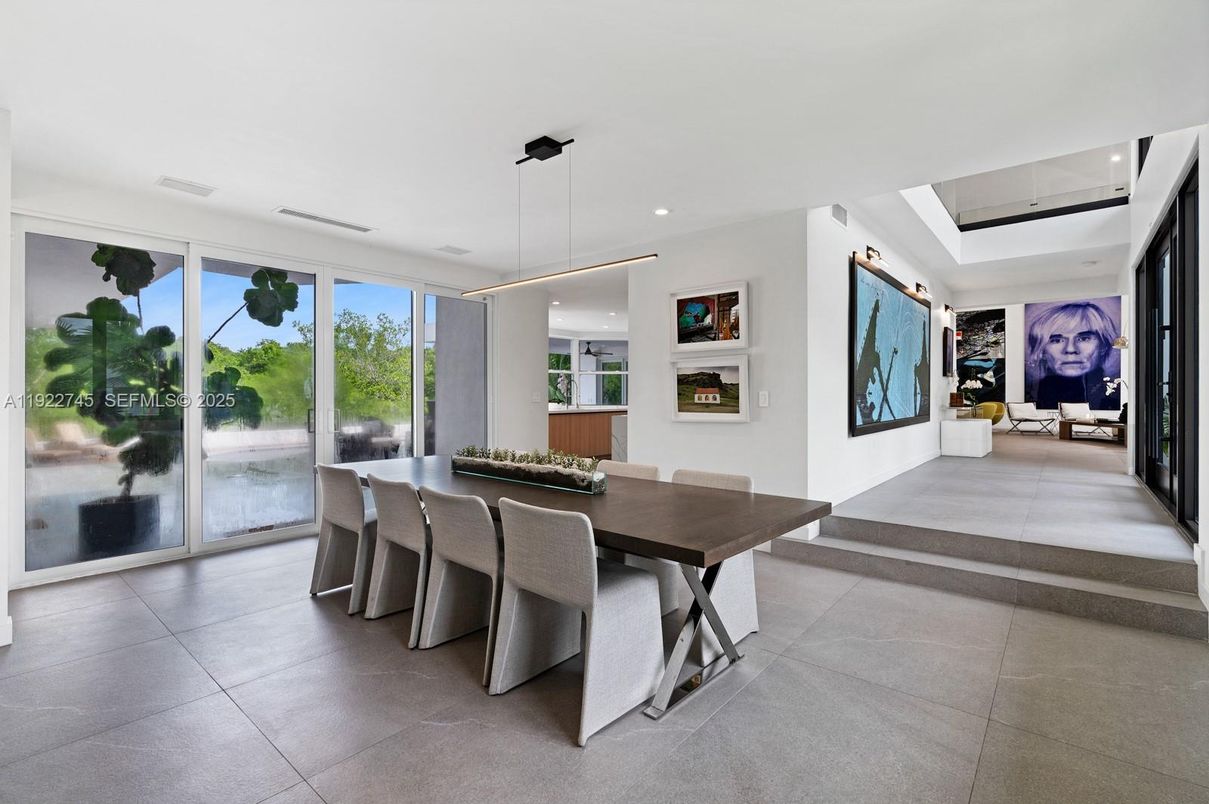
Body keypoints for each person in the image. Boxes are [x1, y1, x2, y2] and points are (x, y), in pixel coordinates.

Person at [1026, 301, 1120, 410]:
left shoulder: (1115, 395)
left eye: (1084, 338)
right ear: (1041, 351)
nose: (1070, 349)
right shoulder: (1033, 394)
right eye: (1056, 340)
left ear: (1103, 346)